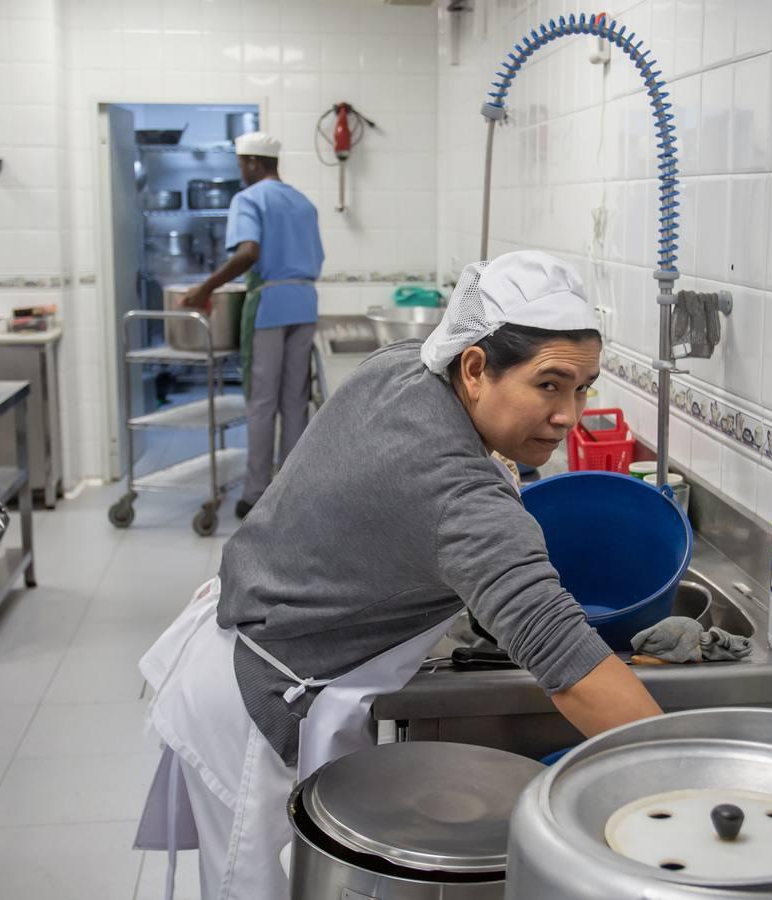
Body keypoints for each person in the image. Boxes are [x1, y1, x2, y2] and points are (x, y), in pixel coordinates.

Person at [135, 251, 664, 900]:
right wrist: (680, 778)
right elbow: (567, 664)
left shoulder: (408, 367)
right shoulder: (457, 492)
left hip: (256, 628)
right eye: (548, 385)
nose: (569, 416)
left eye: (584, 389)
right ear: (475, 368)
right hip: (254, 704)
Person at [179, 131, 323, 519]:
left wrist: (204, 288)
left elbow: (249, 252)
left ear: (253, 163)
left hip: (270, 306)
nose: (240, 171)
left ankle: (256, 493)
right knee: (295, 401)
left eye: (242, 164)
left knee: (262, 402)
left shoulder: (249, 199)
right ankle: (293, 489)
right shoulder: (304, 203)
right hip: (305, 304)